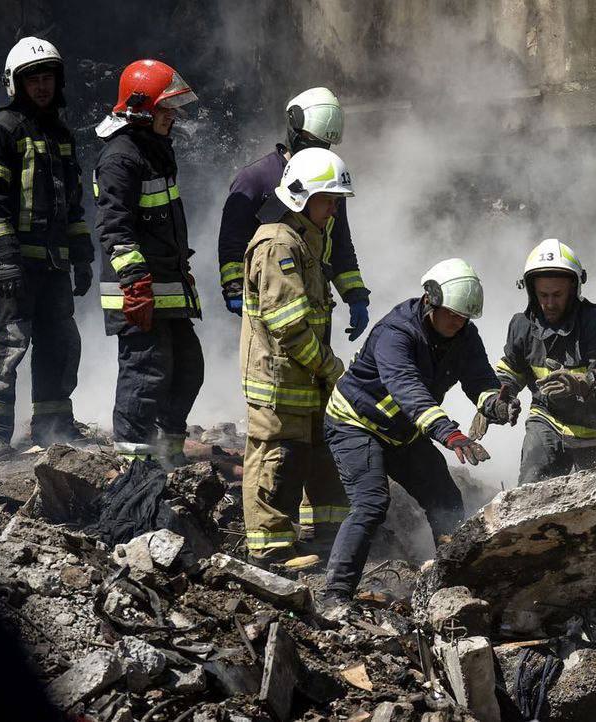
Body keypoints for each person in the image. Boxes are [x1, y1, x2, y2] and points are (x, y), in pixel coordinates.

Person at [322, 259, 520, 604]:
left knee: (444, 498)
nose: (458, 323)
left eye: (465, 318)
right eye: (452, 314)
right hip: (356, 424)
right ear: (430, 300)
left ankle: (451, 583)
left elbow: (480, 379)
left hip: (404, 431)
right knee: (371, 503)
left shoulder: (464, 335)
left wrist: (496, 404)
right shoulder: (395, 333)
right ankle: (335, 594)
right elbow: (407, 389)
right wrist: (450, 433)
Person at [0, 37, 93, 458]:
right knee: (6, 347)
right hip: (14, 268)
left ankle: (54, 428)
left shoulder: (61, 134)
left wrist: (82, 255)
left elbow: (73, 204)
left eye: (48, 78)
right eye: (33, 79)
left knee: (60, 347)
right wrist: (4, 259)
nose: (42, 86)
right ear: (15, 84)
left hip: (55, 267)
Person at [239, 147, 355, 568]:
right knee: (277, 459)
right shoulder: (278, 245)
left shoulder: (306, 240)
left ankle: (322, 539)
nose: (334, 211)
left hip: (302, 377)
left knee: (309, 456)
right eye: (329, 201)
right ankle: (268, 551)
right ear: (301, 197)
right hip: (278, 377)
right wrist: (331, 368)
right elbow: (288, 327)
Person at [93, 59, 202, 463]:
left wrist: (179, 266)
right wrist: (135, 281)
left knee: (188, 368)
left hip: (165, 281)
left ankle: (169, 452)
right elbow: (114, 226)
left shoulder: (153, 151)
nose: (171, 116)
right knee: (145, 370)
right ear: (140, 108)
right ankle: (133, 463)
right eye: (164, 108)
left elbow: (164, 224)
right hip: (138, 288)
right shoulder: (121, 158)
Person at [217, 87, 369, 336]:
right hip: (270, 300)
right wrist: (234, 287)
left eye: (324, 143)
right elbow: (232, 240)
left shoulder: (328, 178)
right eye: (313, 140)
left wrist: (356, 294)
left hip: (316, 300)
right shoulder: (256, 179)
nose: (319, 148)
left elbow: (339, 243)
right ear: (294, 129)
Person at [494, 239, 596, 484]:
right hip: (547, 419)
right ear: (531, 291)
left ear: (573, 289)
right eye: (543, 295)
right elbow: (512, 370)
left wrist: (583, 382)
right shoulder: (522, 326)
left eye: (557, 295)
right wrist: (500, 398)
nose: (549, 303)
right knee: (531, 486)